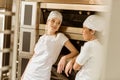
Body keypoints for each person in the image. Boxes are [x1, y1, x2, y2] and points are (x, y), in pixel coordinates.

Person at [21, 11, 78, 80]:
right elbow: (33, 57)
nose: (55, 24)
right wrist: (23, 75)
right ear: (48, 21)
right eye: (53, 21)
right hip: (30, 73)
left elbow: (75, 51)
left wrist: (64, 58)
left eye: (58, 23)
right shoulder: (42, 38)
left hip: (42, 75)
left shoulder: (59, 37)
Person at [65, 14, 104, 80]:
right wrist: (73, 60)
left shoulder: (89, 45)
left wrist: (72, 62)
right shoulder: (100, 46)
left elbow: (76, 67)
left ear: (92, 31)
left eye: (84, 28)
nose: (82, 31)